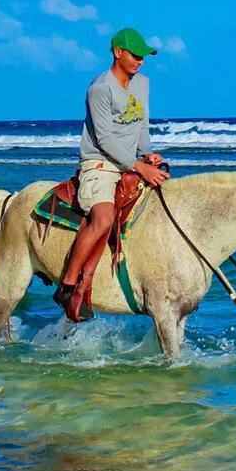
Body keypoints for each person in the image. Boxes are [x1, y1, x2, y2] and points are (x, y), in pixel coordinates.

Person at [56, 27, 169, 320]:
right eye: (135, 55)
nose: (140, 61)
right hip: (100, 163)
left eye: (143, 56)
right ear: (118, 52)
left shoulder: (142, 83)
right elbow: (104, 140)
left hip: (130, 162)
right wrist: (138, 165)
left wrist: (147, 154)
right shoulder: (100, 88)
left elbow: (142, 125)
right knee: (104, 217)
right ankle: (68, 285)